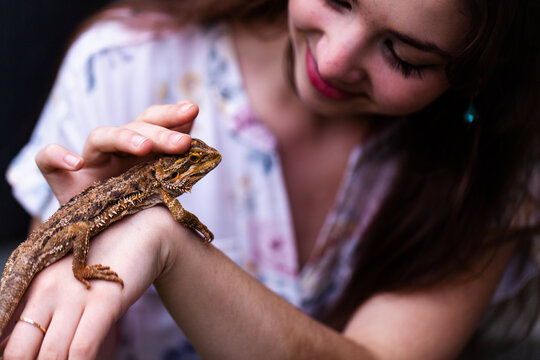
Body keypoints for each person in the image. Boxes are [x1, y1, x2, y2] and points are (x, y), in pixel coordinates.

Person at [3, 0, 539, 358]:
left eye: (405, 56)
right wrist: (88, 259)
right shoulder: (118, 65)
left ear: (475, 72)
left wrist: (170, 242)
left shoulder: (492, 170)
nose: (332, 61)